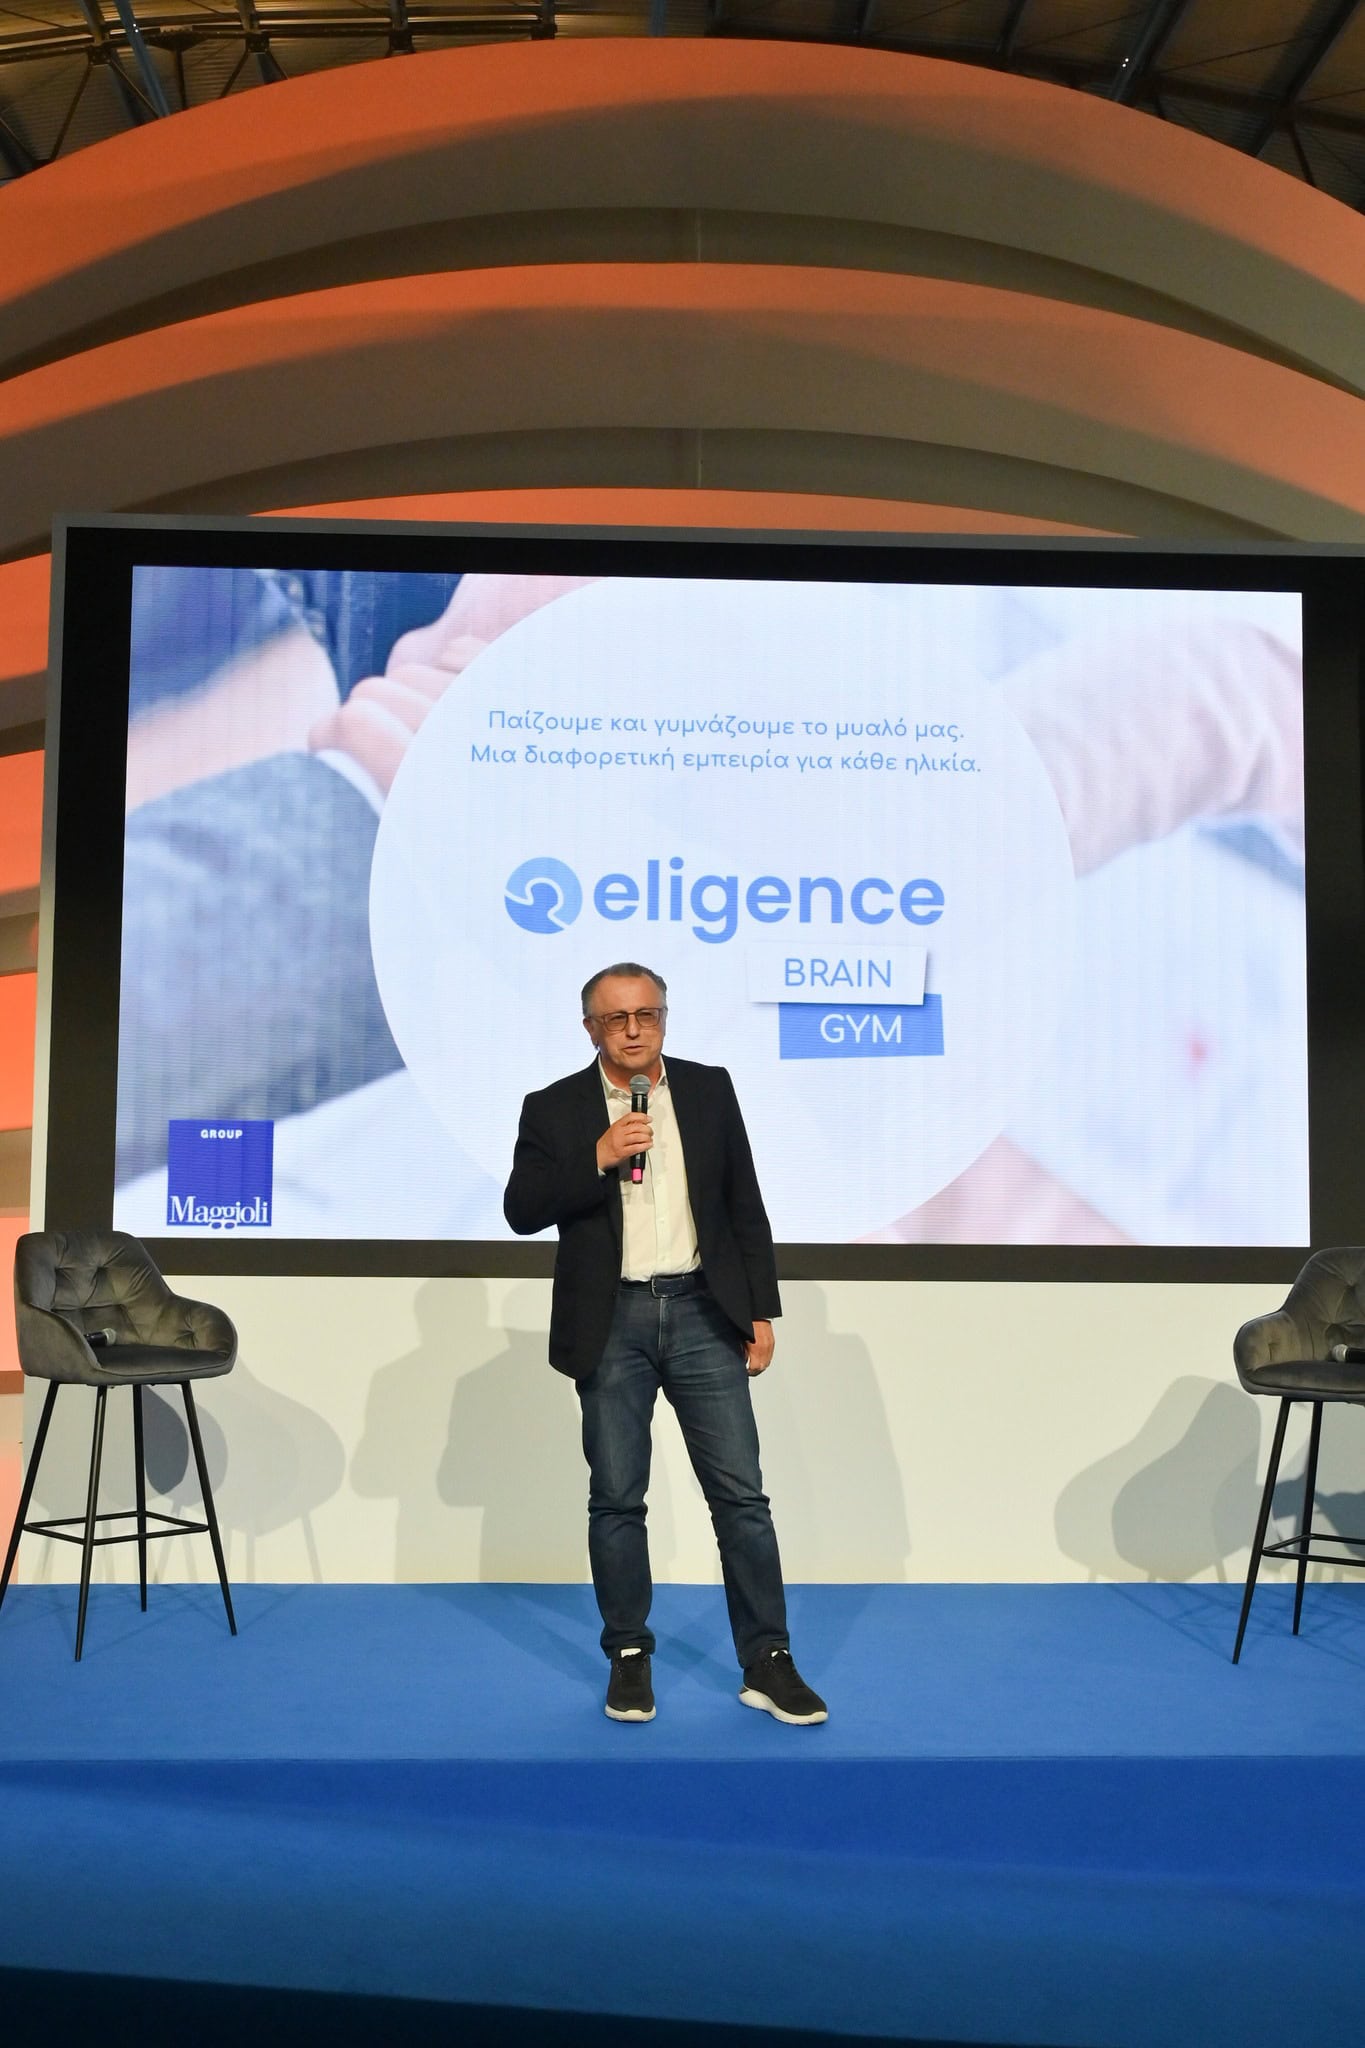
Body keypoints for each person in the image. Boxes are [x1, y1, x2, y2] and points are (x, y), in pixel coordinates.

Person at [503, 963, 827, 1726]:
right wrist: (597, 1156)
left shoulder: (708, 1089)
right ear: (590, 1028)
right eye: (616, 1019)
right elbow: (522, 1209)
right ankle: (628, 1654)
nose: (634, 1030)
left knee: (741, 1498)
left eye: (646, 1014)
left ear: (663, 1018)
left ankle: (768, 1661)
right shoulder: (553, 1107)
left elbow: (742, 1204)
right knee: (617, 1498)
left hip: (702, 1312)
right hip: (608, 1321)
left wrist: (760, 1309)